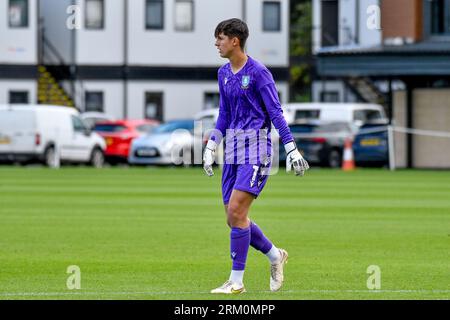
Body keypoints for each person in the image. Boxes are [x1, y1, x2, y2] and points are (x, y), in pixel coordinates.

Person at [203, 18, 309, 294]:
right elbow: (224, 113)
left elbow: (275, 113)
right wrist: (212, 145)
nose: (216, 43)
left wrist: (291, 148)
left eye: (220, 38)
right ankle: (275, 255)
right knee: (233, 217)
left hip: (257, 149)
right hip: (233, 151)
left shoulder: (259, 72)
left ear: (235, 41)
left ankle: (236, 282)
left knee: (237, 211)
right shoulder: (223, 74)